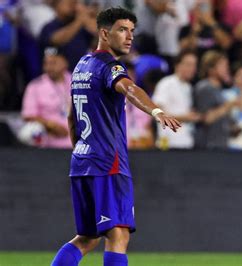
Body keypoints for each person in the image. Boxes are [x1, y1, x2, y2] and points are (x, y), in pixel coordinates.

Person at [51, 7, 181, 266]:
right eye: (122, 30)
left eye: (132, 31)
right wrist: (155, 110)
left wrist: (81, 149)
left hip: (82, 161)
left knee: (87, 237)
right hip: (108, 162)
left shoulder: (81, 65)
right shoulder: (109, 66)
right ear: (104, 33)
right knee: (118, 234)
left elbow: (71, 116)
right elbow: (129, 88)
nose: (129, 36)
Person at [20, 47, 71, 148]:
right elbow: (28, 116)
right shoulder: (35, 86)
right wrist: (50, 125)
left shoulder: (78, 81)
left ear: (65, 62)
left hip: (79, 143)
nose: (49, 67)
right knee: (29, 130)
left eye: (53, 63)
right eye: (46, 63)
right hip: (48, 143)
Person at [152, 50, 202, 149]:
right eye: (188, 64)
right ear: (177, 65)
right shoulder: (166, 84)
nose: (192, 69)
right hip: (169, 143)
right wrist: (185, 117)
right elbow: (158, 114)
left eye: (194, 65)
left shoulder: (188, 87)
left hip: (186, 143)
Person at [194, 50, 239, 149]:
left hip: (221, 145)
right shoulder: (204, 88)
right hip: (208, 146)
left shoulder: (219, 90)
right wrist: (229, 105)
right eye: (223, 66)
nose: (226, 69)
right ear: (211, 69)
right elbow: (207, 118)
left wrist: (233, 128)